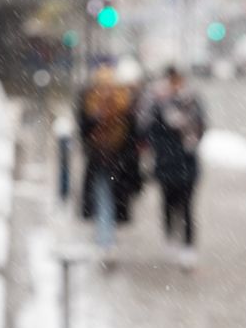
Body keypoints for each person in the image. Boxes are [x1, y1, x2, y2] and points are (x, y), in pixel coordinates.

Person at [78, 66, 142, 269]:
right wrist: (96, 119)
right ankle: (105, 242)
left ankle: (108, 240)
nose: (105, 90)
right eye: (101, 86)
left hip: (118, 161)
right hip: (98, 160)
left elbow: (133, 133)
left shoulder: (124, 103)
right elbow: (84, 130)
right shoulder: (89, 103)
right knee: (103, 199)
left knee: (113, 201)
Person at [146, 66, 205, 270]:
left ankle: (188, 247)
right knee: (169, 204)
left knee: (187, 206)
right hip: (168, 164)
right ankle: (171, 238)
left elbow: (202, 127)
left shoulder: (192, 101)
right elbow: (150, 132)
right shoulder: (158, 103)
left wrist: (189, 137)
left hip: (185, 164)